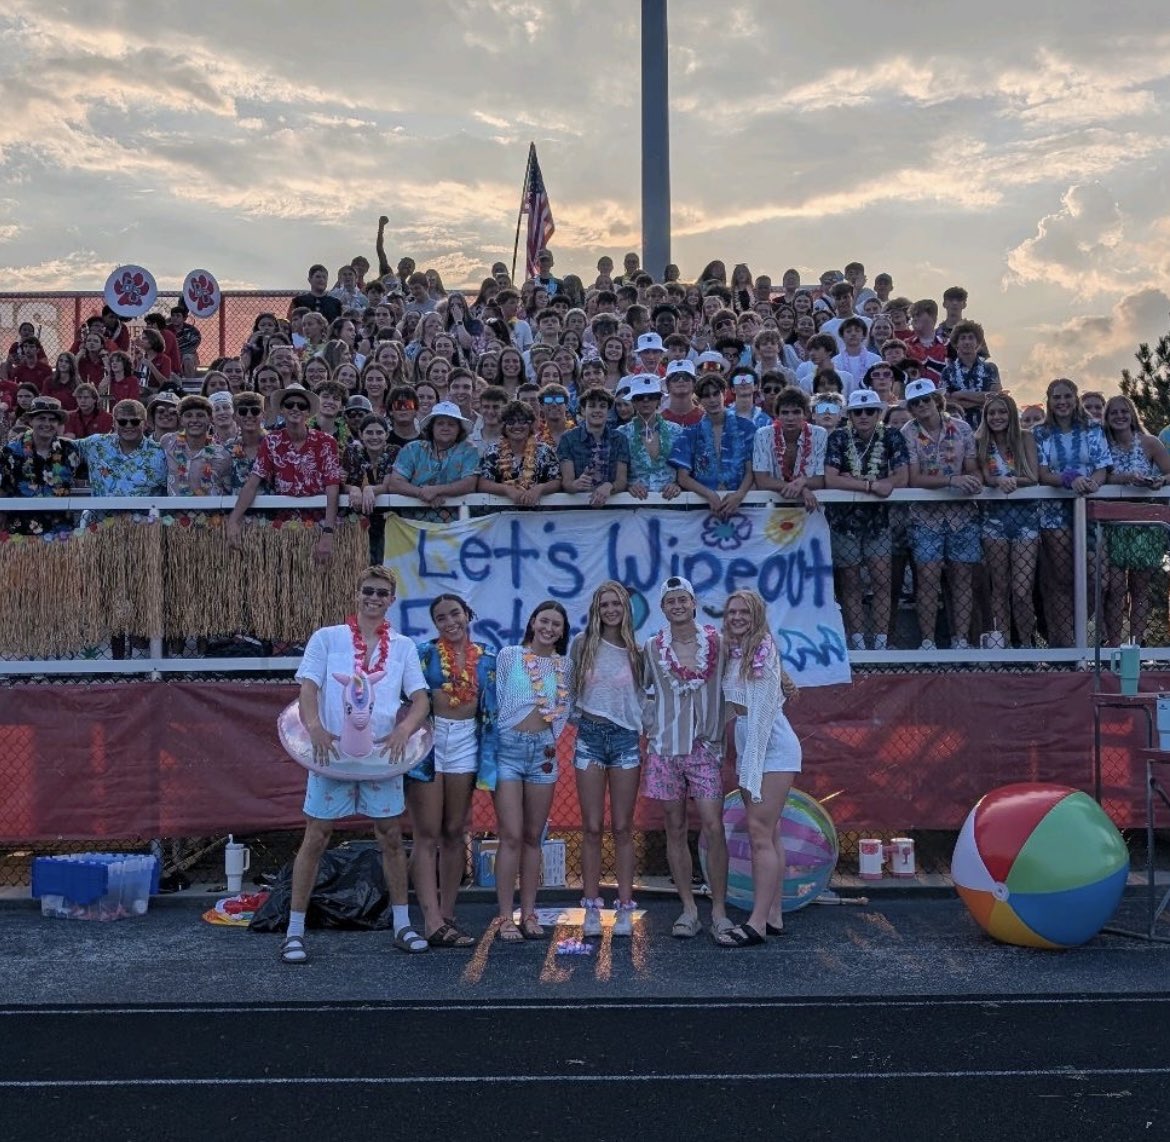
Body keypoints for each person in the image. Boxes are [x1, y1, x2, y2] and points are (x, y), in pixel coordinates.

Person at [282, 565, 431, 964]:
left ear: (391, 601)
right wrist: (314, 727)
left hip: (380, 760)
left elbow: (420, 699)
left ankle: (402, 925)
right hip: (332, 756)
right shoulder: (327, 639)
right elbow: (308, 687)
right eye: (368, 591)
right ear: (356, 594)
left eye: (382, 593)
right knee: (316, 835)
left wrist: (405, 731)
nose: (373, 598)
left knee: (391, 837)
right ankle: (294, 931)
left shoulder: (401, 647)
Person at [642, 576, 730, 942]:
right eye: (670, 602)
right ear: (662, 609)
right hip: (665, 748)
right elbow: (641, 689)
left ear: (693, 603)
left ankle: (720, 911)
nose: (677, 606)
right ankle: (689, 909)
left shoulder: (718, 644)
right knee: (674, 827)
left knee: (713, 824)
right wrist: (651, 725)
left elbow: (737, 681)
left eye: (683, 600)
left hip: (704, 747)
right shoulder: (651, 647)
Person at [408, 595, 498, 947]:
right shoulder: (423, 654)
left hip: (466, 742)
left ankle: (448, 915)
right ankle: (430, 920)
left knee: (454, 830)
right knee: (426, 832)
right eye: (441, 617)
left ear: (467, 615)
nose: (450, 622)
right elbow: (406, 699)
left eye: (455, 614)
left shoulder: (487, 657)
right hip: (430, 740)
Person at [714, 589, 801, 947]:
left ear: (757, 615)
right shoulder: (736, 652)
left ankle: (756, 924)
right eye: (732, 611)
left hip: (772, 749)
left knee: (758, 832)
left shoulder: (763, 650)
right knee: (772, 832)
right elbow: (737, 707)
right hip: (753, 745)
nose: (736, 617)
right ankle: (773, 915)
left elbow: (762, 714)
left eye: (744, 612)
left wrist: (749, 768)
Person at [493, 601, 574, 942]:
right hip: (509, 750)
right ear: (532, 622)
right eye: (544, 621)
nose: (549, 628)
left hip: (543, 752)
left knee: (532, 837)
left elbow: (565, 705)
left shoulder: (565, 665)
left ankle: (529, 913)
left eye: (556, 624)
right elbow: (500, 700)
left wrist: (550, 738)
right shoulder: (509, 655)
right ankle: (504, 916)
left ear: (562, 631)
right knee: (510, 835)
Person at [569, 582, 644, 937]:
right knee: (592, 827)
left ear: (626, 608)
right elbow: (569, 690)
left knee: (623, 828)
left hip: (626, 741)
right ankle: (591, 909)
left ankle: (626, 907)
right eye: (605, 604)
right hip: (590, 739)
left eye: (617, 604)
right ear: (596, 609)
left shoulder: (637, 649)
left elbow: (646, 696)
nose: (611, 609)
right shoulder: (582, 644)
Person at [824, 389, 910, 651]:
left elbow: (902, 476)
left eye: (869, 411)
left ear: (879, 413)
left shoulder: (892, 436)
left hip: (879, 521)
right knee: (851, 583)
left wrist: (861, 483)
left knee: (882, 580)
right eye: (857, 412)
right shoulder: (839, 437)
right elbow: (831, 478)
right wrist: (872, 485)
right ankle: (858, 643)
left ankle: (882, 643)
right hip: (844, 522)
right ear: (849, 415)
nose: (863, 416)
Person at [901, 379, 983, 651]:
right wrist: (952, 481)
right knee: (927, 578)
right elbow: (913, 478)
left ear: (937, 400)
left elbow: (972, 467)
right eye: (915, 402)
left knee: (962, 578)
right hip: (925, 517)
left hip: (962, 515)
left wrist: (972, 480)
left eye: (926, 399)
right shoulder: (907, 432)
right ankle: (928, 642)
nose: (922, 405)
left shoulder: (962, 428)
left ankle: (960, 640)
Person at [225, 383, 342, 565]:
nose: (295, 408)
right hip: (283, 527)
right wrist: (233, 520)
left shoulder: (326, 441)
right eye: (290, 404)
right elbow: (253, 482)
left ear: (308, 412)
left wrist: (328, 532)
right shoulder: (272, 441)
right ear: (282, 409)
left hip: (319, 523)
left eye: (301, 405)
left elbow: (333, 486)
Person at [1033, 378, 1111, 647]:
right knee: (1062, 579)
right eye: (1057, 397)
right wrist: (1069, 479)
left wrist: (1093, 484)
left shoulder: (1092, 428)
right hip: (1055, 511)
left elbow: (1102, 467)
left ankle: (1081, 634)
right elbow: (1042, 474)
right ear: (1049, 400)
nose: (1062, 402)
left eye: (1067, 396)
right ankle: (1064, 644)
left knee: (1097, 578)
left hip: (1089, 507)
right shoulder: (1040, 433)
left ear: (1075, 398)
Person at [1101, 395, 1170, 645]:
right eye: (1113, 413)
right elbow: (1101, 478)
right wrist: (1126, 478)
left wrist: (1161, 481)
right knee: (1116, 588)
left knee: (1139, 588)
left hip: (1145, 524)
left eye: (1124, 412)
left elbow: (1168, 470)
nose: (1119, 416)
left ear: (1132, 414)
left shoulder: (1149, 443)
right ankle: (1113, 644)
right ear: (1107, 419)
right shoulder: (1103, 446)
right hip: (1115, 524)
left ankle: (1136, 644)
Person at [975, 394, 1040, 648]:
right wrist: (996, 481)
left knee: (1022, 589)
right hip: (993, 520)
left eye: (1002, 412)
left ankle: (1026, 644)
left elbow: (1033, 475)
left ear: (1011, 414)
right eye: (992, 413)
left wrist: (1013, 481)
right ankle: (1002, 644)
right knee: (999, 587)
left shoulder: (1025, 438)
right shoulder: (980, 441)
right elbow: (983, 477)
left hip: (1025, 519)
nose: (997, 417)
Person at [670, 372, 756, 519]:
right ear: (699, 400)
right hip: (701, 510)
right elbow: (683, 478)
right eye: (706, 396)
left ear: (724, 394)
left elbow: (751, 471)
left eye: (716, 394)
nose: (712, 400)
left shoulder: (747, 428)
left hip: (743, 507)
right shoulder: (690, 433)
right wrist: (709, 495)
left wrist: (739, 495)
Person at [385, 400, 480, 509]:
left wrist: (436, 490)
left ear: (459, 429)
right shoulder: (412, 449)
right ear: (431, 427)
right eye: (440, 423)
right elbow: (395, 483)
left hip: (458, 520)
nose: (445, 428)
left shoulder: (469, 450)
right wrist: (421, 492)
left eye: (451, 424)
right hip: (411, 520)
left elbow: (469, 485)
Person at [752, 385, 827, 510]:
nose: (790, 418)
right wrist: (802, 488)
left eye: (796, 412)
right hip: (771, 508)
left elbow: (821, 480)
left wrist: (802, 482)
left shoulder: (819, 434)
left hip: (809, 508)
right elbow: (762, 481)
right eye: (785, 413)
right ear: (777, 415)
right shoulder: (762, 434)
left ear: (806, 414)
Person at [476, 399, 562, 505]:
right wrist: (507, 490)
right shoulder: (493, 452)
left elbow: (557, 481)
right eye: (511, 421)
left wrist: (540, 489)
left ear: (530, 425)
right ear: (504, 425)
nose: (517, 426)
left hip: (540, 517)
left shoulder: (545, 451)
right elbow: (482, 483)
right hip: (502, 517)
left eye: (522, 421)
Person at [557, 386, 629, 506]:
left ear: (608, 411)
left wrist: (609, 486)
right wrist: (576, 484)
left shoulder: (620, 439)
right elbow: (567, 483)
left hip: (614, 509)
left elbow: (622, 481)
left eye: (602, 406)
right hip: (578, 508)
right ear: (583, 410)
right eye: (592, 406)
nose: (597, 410)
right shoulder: (568, 438)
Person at [618, 373, 682, 498]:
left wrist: (677, 484)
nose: (646, 400)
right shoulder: (621, 434)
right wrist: (628, 486)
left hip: (671, 504)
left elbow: (685, 470)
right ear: (633, 401)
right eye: (640, 397)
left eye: (651, 396)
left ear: (659, 399)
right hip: (634, 506)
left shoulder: (676, 431)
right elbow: (617, 475)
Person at [160, 395, 232, 496]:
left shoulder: (222, 455)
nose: (194, 420)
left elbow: (229, 492)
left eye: (200, 415)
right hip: (174, 510)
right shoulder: (168, 442)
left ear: (210, 419)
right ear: (181, 420)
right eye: (188, 415)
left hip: (210, 511)